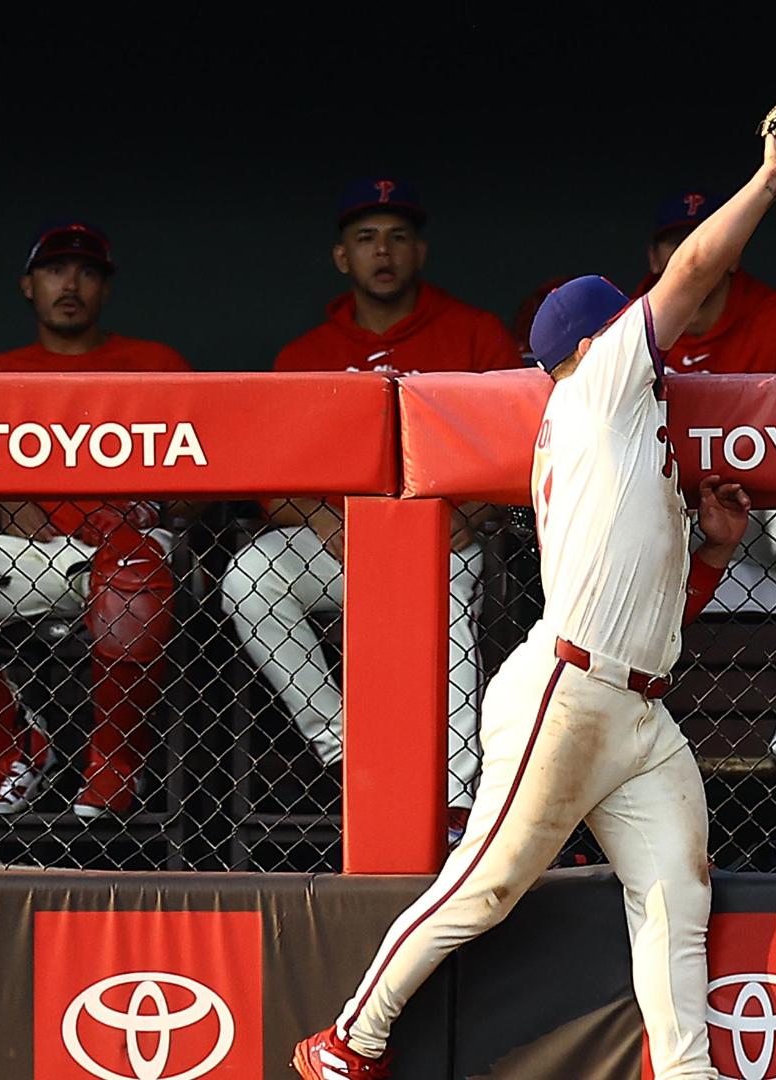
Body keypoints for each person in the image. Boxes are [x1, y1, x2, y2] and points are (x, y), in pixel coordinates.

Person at [291, 134, 776, 1080]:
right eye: (629, 324)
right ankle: (347, 1039)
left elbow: (658, 607)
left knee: (675, 902)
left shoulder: (630, 425)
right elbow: (696, 267)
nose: (656, 334)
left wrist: (713, 552)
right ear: (592, 342)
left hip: (640, 708)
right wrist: (770, 178)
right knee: (483, 887)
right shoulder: (597, 389)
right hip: (566, 695)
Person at [224, 178, 513, 840]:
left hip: (443, 538)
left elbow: (521, 446)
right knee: (248, 576)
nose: (382, 251)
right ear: (341, 259)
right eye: (365, 239)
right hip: (339, 544)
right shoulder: (306, 356)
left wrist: (464, 515)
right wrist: (325, 522)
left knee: (444, 608)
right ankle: (346, 747)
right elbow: (272, 478)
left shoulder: (473, 335)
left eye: (397, 237)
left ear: (420, 252)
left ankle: (456, 798)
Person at [0, 221, 193, 820]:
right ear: (29, 286)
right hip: (30, 546)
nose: (70, 284)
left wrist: (144, 503)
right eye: (55, 270)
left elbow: (209, 479)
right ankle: (14, 749)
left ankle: (113, 763)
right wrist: (7, 501)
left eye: (87, 272)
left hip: (127, 549)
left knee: (129, 593)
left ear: (107, 289)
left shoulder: (156, 364)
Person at [635, 189, 776, 765]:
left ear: (732, 252)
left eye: (707, 240)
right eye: (679, 246)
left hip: (756, 515)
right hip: (666, 512)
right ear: (655, 260)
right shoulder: (629, 323)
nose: (694, 255)